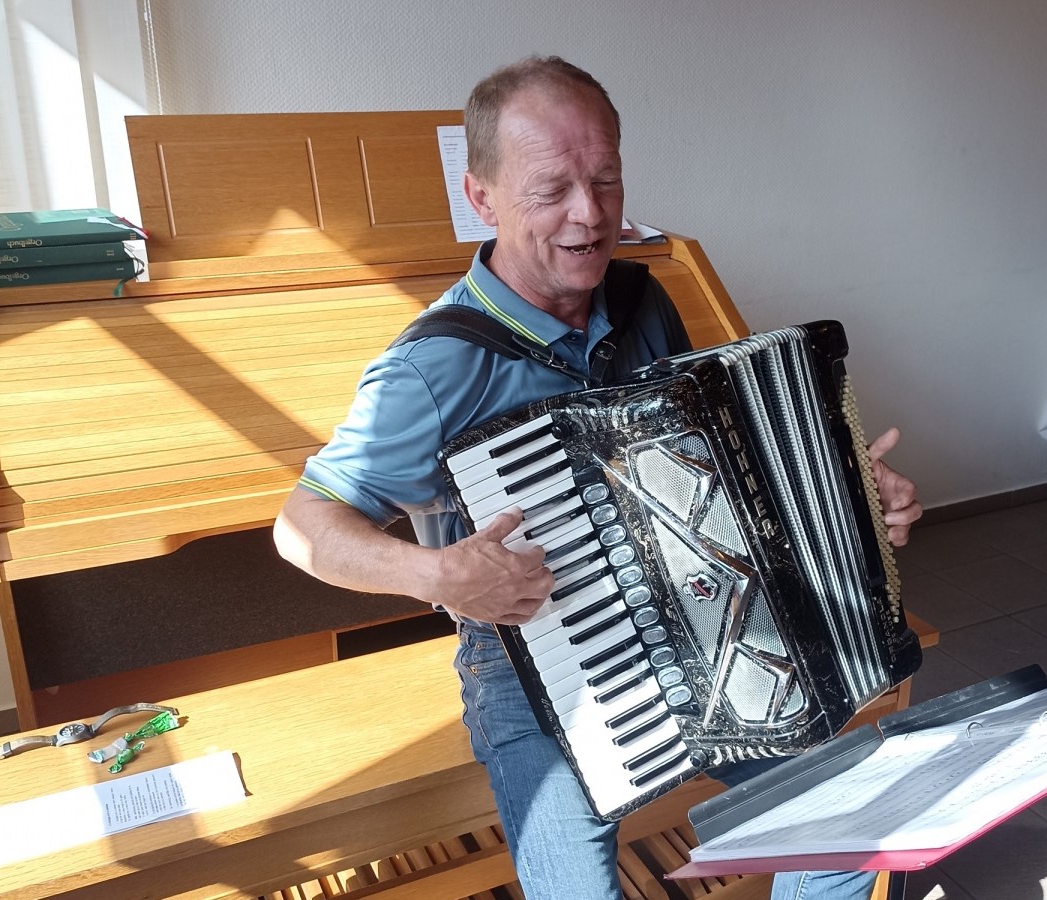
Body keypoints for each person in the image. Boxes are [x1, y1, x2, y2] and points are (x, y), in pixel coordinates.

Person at [274, 55, 921, 900]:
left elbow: (714, 471)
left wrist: (851, 505)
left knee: (844, 815)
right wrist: (433, 572)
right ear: (482, 199)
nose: (591, 216)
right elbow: (301, 523)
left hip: (695, 618)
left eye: (607, 181)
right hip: (526, 665)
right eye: (552, 192)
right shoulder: (431, 368)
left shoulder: (643, 301)